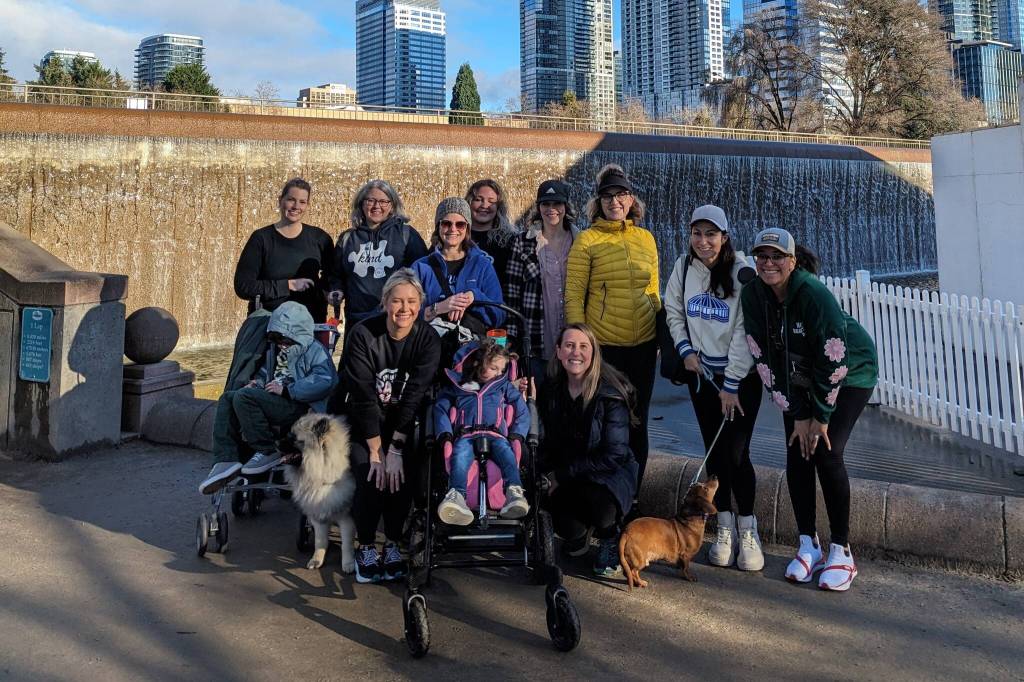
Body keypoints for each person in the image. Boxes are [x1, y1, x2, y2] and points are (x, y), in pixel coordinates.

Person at [740, 228, 878, 592]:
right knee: (796, 452)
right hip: (794, 379)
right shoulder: (754, 295)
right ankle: (807, 544)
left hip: (849, 374)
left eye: (776, 257)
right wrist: (798, 414)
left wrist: (819, 417)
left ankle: (842, 551)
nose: (769, 263)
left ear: (792, 261)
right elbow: (762, 357)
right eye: (762, 257)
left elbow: (834, 358)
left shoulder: (814, 295)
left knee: (827, 452)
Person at [664, 204, 764, 571]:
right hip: (700, 374)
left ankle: (748, 528)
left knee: (738, 454)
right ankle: (723, 524)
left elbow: (744, 330)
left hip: (739, 379)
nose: (703, 241)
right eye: (697, 233)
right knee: (714, 451)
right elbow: (673, 309)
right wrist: (685, 350)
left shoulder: (742, 272)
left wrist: (733, 383)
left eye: (711, 234)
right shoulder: (682, 267)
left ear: (724, 237)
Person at [339, 268, 441, 584]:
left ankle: (394, 542)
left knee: (402, 473)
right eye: (397, 301)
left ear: (420, 304)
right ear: (385, 302)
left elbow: (415, 395)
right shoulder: (362, 334)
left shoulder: (427, 338)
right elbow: (362, 395)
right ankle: (367, 544)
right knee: (370, 474)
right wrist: (375, 450)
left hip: (404, 423)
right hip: (364, 421)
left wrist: (395, 447)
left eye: (411, 302)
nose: (404, 309)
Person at [565, 164, 660, 502]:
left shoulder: (646, 238)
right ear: (598, 202)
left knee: (639, 421)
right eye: (607, 196)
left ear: (631, 199)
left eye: (620, 195)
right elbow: (574, 293)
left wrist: (661, 330)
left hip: (644, 346)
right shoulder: (588, 240)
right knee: (604, 422)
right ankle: (601, 493)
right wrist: (580, 345)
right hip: (605, 346)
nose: (614, 201)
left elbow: (653, 289)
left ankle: (632, 496)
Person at [199, 301, 338, 494]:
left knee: (244, 398)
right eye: (275, 339)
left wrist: (289, 390)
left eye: (285, 340)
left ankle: (267, 450)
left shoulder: (313, 350)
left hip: (298, 406)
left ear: (298, 335)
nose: (281, 345)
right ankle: (225, 458)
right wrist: (256, 383)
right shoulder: (275, 352)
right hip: (275, 401)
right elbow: (266, 373)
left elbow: (325, 380)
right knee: (228, 398)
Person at [538, 323, 639, 578]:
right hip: (569, 469)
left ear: (593, 354)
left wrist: (560, 476)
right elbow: (546, 441)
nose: (576, 352)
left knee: (601, 506)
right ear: (559, 351)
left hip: (607, 475)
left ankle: (610, 538)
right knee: (563, 523)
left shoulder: (611, 393)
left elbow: (613, 454)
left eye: (584, 346)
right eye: (569, 345)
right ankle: (579, 535)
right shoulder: (550, 389)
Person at [434, 340, 530, 525]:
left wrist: (517, 434)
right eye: (494, 368)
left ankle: (514, 491)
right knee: (460, 456)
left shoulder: (503, 386)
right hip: (466, 435)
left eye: (502, 370)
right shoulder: (457, 386)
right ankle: (457, 496)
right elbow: (440, 409)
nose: (499, 374)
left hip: (496, 434)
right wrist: (444, 434)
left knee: (506, 454)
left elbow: (522, 410)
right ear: (478, 364)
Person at [328, 179, 428, 340]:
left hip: (395, 321)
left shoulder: (407, 235)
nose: (376, 206)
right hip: (357, 320)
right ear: (361, 204)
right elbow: (336, 274)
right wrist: (336, 290)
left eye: (383, 201)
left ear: (392, 205)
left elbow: (423, 274)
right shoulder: (347, 239)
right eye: (370, 200)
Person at [234, 177, 335, 322]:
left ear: (308, 205)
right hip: (268, 325)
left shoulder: (320, 238)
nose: (296, 206)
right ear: (280, 200)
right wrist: (288, 285)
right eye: (291, 199)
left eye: (302, 202)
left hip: (309, 325)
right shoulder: (261, 239)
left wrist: (332, 292)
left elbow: (331, 278)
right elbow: (243, 286)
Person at [506, 179, 580, 378]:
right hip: (536, 341)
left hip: (574, 344)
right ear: (538, 208)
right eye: (546, 204)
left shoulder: (581, 242)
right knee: (536, 403)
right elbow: (512, 294)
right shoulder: (522, 243)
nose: (551, 209)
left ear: (566, 206)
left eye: (557, 203)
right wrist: (511, 339)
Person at [412, 197, 506, 332]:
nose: (453, 229)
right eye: (446, 224)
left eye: (460, 224)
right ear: (438, 226)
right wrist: (438, 308)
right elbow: (406, 314)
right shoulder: (421, 267)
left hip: (472, 347)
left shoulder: (482, 265)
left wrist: (474, 296)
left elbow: (499, 316)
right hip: (431, 344)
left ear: (467, 228)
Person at [465, 179, 519, 293]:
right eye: (478, 200)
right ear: (469, 203)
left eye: (491, 201)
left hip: (495, 306)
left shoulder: (511, 242)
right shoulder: (455, 236)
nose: (485, 205)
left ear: (499, 207)